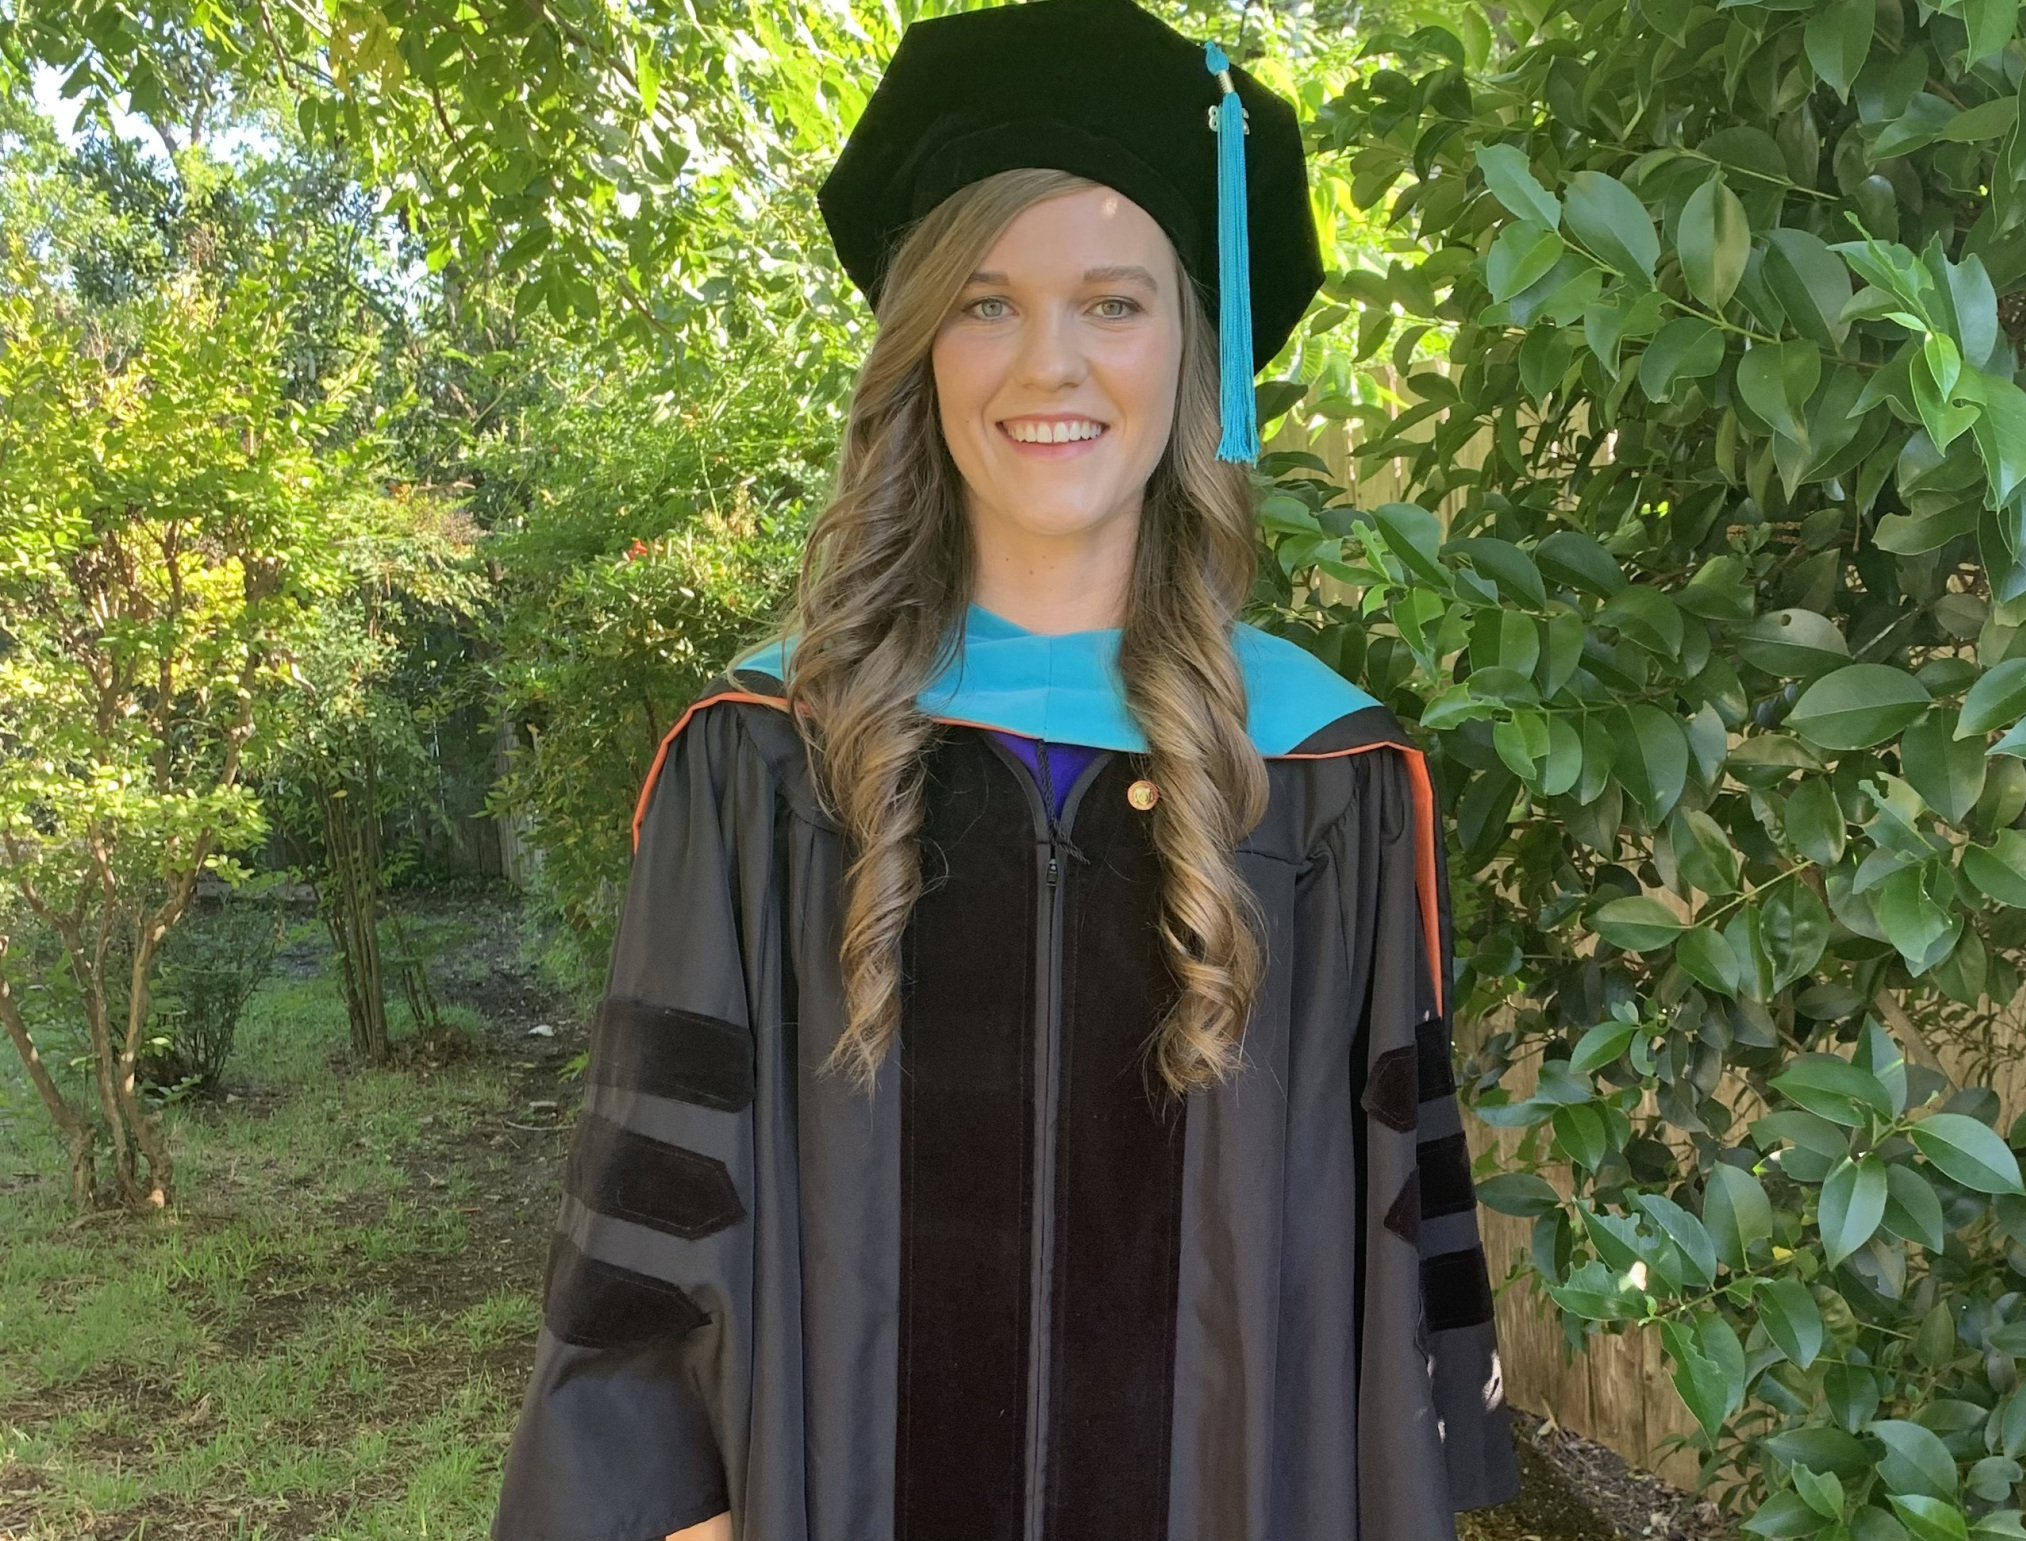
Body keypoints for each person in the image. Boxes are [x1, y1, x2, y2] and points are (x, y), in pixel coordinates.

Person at [488, 2, 1518, 1536]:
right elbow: (655, 1222)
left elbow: (1381, 1274)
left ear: (1194, 350)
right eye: (986, 302)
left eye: (1114, 303)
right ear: (921, 348)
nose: (1051, 361)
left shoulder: (1323, 783)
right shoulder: (768, 762)